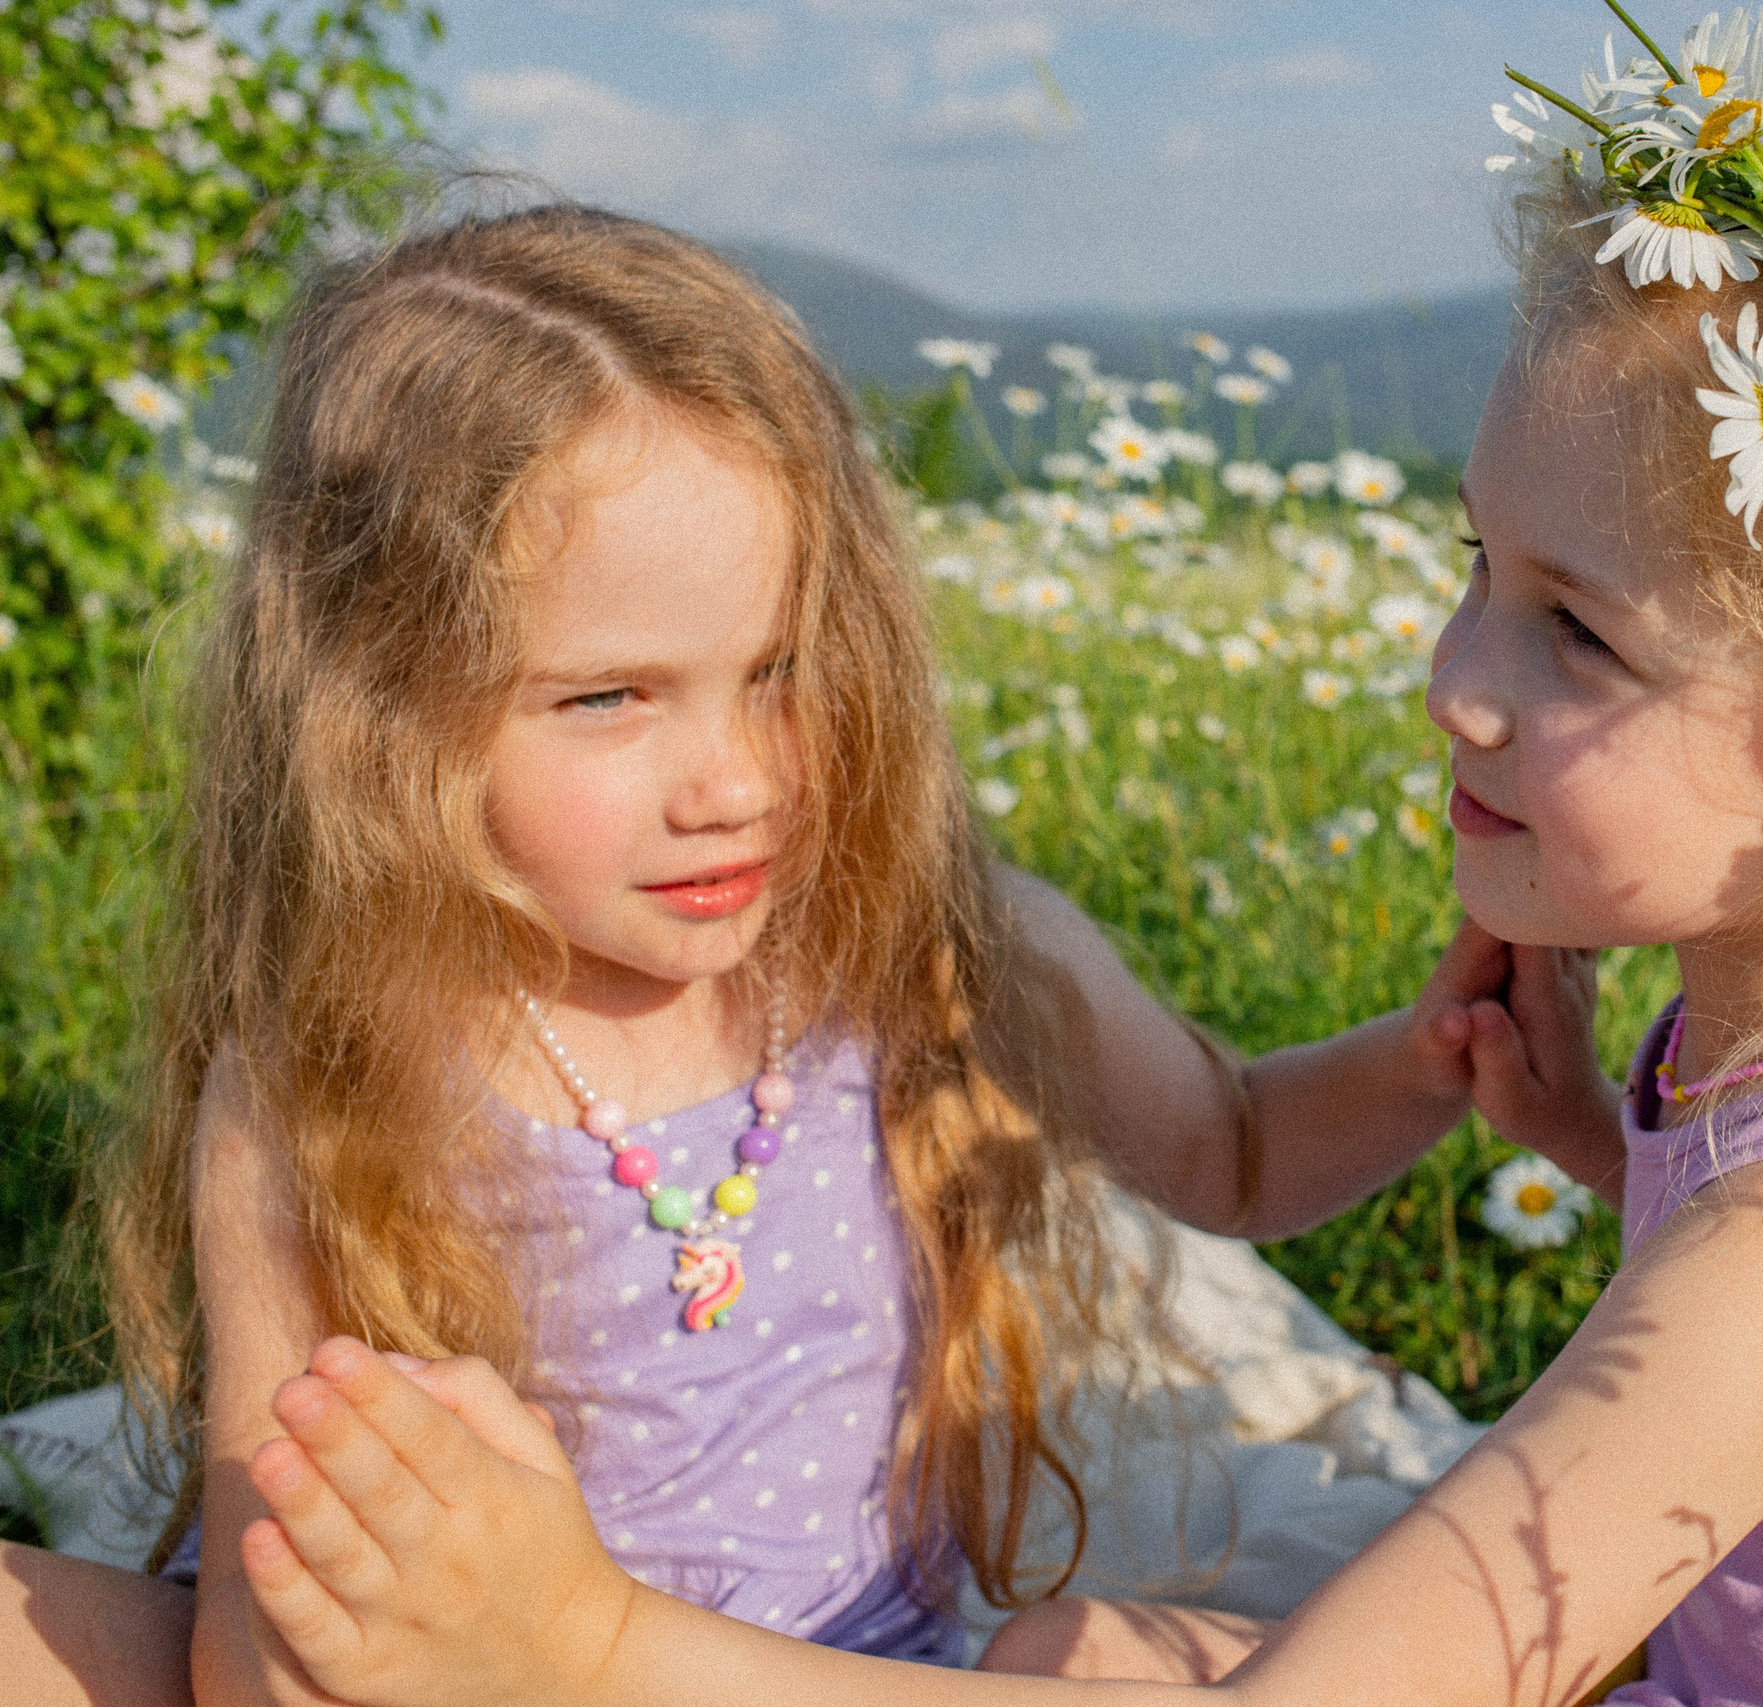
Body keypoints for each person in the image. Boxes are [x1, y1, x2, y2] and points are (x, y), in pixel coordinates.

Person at [179, 80, 1763, 1707]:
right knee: (1074, 1636)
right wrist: (1582, 1139)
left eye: (1575, 633)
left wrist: (577, 1638)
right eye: (1469, 575)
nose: (1456, 682)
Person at [0, 204, 1583, 1706]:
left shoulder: (932, 952)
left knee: (1090, 1659)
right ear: (383, 720)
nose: (739, 782)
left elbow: (1234, 1150)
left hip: (849, 1674)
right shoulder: (327, 1087)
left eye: (778, 669)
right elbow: (260, 1628)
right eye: (608, 698)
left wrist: (1438, 1056)